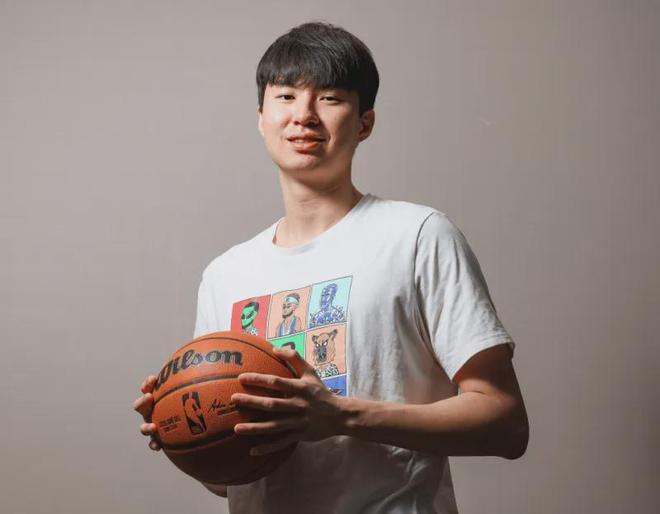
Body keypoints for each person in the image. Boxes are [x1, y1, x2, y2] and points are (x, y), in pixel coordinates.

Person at [133, 20, 529, 513]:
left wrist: (341, 416)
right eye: (285, 96)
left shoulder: (417, 236)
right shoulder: (225, 275)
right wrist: (188, 429)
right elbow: (232, 480)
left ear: (364, 123)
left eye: (330, 98)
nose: (303, 115)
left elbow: (505, 422)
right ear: (261, 118)